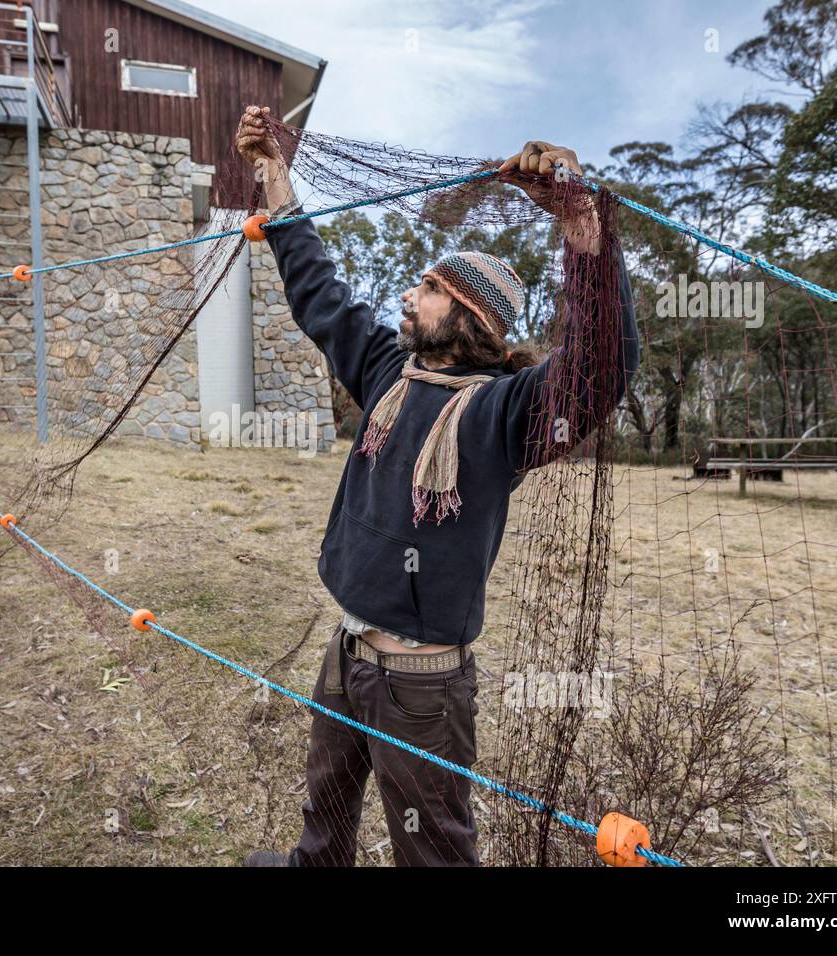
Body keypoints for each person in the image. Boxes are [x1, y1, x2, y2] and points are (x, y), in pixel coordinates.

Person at [234, 105, 640, 867]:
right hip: (347, 651)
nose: (406, 297)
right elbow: (317, 290)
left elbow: (598, 367)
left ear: (466, 314)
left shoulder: (507, 413)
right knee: (321, 824)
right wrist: (272, 173)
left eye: (425, 287)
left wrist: (581, 221)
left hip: (423, 685)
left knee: (435, 857)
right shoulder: (387, 371)